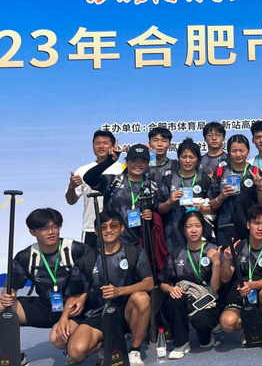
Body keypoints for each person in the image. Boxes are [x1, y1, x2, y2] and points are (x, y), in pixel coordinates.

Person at [1, 208, 93, 366]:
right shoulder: (25, 256)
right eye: (44, 228)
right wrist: (6, 297)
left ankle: (88, 342)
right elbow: (11, 288)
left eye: (55, 226)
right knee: (1, 306)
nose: (51, 232)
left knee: (58, 340)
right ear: (32, 232)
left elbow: (95, 281)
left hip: (75, 307)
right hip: (46, 306)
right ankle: (11, 355)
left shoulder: (77, 249)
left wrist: (84, 297)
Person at [68, 211, 152, 366]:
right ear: (96, 231)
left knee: (142, 297)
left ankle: (135, 350)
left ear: (121, 228)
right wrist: (64, 318)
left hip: (126, 311)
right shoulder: (86, 259)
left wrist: (119, 291)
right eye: (103, 227)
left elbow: (149, 283)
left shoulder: (134, 252)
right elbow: (75, 292)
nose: (108, 230)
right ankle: (105, 345)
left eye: (113, 226)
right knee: (76, 352)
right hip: (100, 313)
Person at [219, 206, 262, 354]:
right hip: (241, 297)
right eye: (256, 223)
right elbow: (225, 278)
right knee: (227, 323)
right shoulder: (238, 247)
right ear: (248, 225)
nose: (260, 228)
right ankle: (251, 328)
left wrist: (252, 285)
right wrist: (227, 260)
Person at [158, 211, 223, 358]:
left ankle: (207, 333)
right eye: (189, 226)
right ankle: (181, 343)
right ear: (183, 230)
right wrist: (171, 289)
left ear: (203, 228)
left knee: (202, 327)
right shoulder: (176, 253)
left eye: (197, 226)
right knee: (173, 300)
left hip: (208, 301)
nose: (193, 230)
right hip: (186, 298)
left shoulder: (213, 250)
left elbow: (215, 287)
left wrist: (217, 263)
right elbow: (163, 283)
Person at [82, 144, 168, 245]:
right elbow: (89, 178)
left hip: (141, 245)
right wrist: (110, 161)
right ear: (126, 162)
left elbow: (162, 214)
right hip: (111, 243)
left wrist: (152, 215)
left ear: (148, 164)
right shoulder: (113, 181)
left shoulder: (155, 187)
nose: (138, 164)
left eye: (143, 161)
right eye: (134, 160)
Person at [66, 130, 124, 248]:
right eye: (97, 143)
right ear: (93, 146)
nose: (101, 146)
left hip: (116, 226)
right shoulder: (83, 170)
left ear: (113, 146)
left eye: (105, 143)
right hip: (92, 228)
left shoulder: (123, 169)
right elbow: (71, 201)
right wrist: (71, 187)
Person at [208, 134, 262, 244]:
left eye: (242, 150)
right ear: (228, 152)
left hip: (250, 228)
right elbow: (213, 205)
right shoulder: (220, 172)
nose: (238, 154)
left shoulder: (255, 172)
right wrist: (222, 196)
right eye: (234, 151)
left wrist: (260, 187)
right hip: (225, 229)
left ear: (248, 151)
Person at [159, 138, 216, 251]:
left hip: (201, 233)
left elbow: (214, 209)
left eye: (192, 157)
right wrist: (170, 202)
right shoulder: (168, 180)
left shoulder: (205, 179)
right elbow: (160, 210)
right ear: (178, 157)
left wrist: (202, 208)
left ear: (198, 159)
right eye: (184, 157)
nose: (188, 161)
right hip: (174, 234)